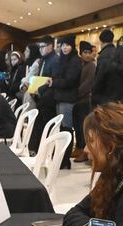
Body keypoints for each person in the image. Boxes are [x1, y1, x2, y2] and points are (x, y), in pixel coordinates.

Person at [48, 35, 82, 169]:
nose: (64, 48)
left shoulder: (75, 60)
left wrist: (54, 82)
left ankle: (65, 160)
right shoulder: (61, 60)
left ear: (72, 46)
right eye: (62, 45)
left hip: (68, 99)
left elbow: (70, 80)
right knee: (60, 129)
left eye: (67, 45)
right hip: (59, 98)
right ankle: (60, 158)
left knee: (66, 129)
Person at [71, 41, 96, 162]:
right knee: (78, 126)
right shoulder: (81, 64)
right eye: (84, 52)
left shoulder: (91, 65)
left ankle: (85, 152)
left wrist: (75, 94)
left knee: (84, 127)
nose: (87, 55)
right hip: (78, 101)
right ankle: (79, 148)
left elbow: (88, 84)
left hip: (85, 100)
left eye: (89, 52)